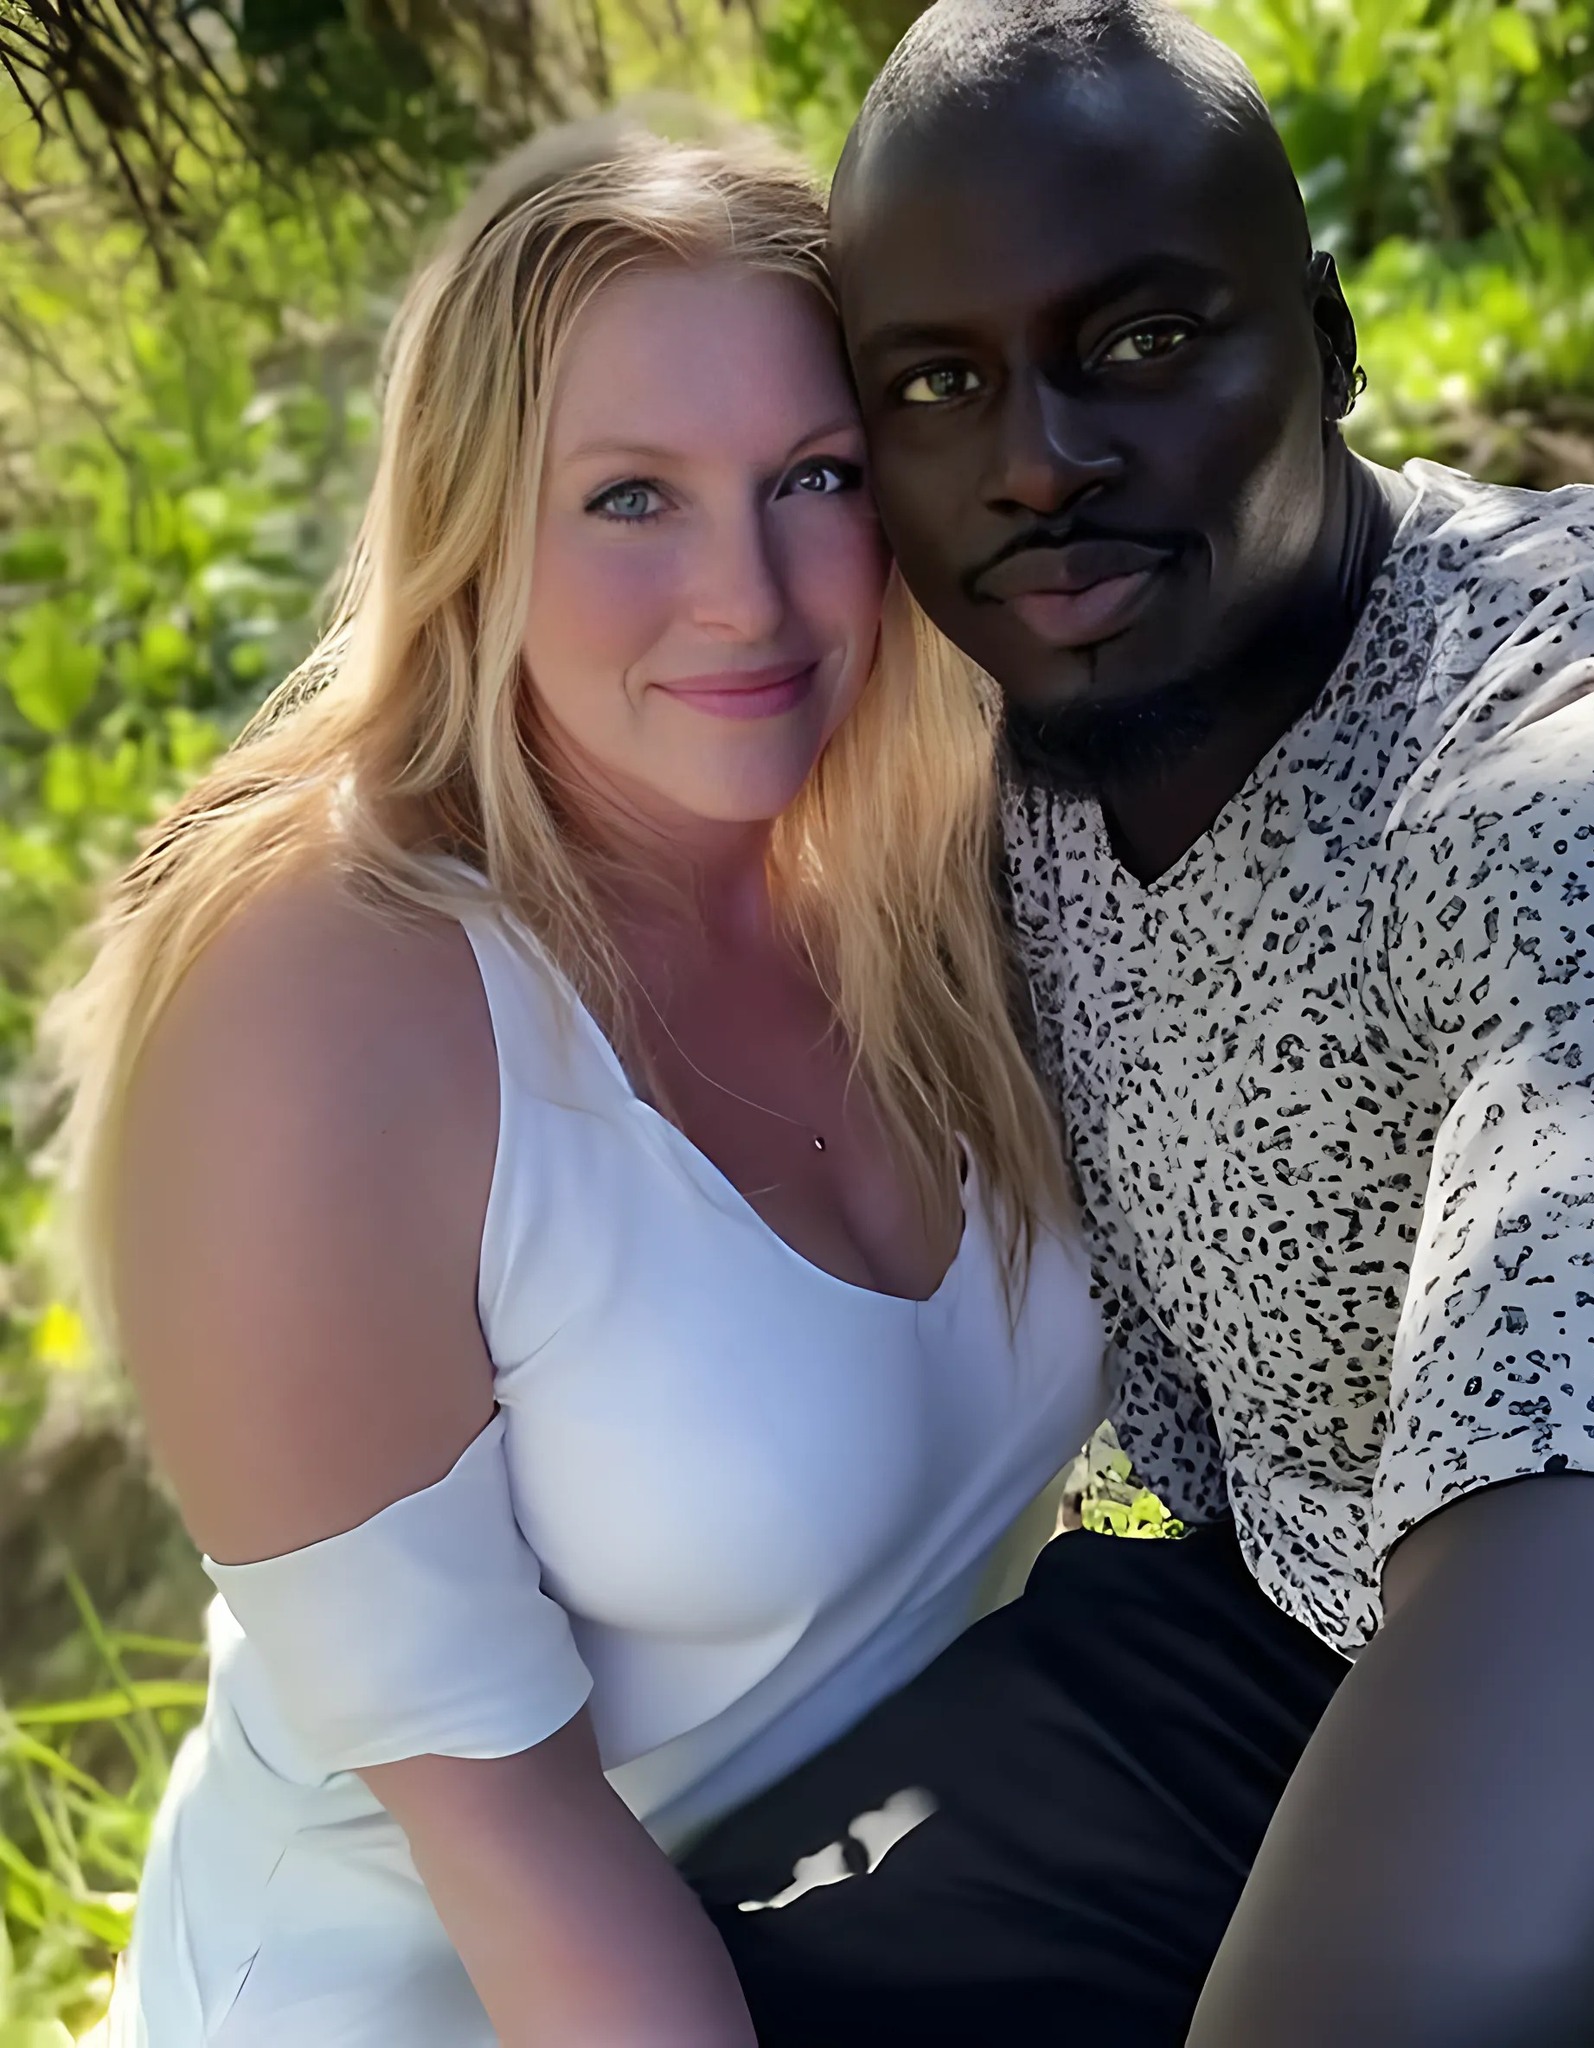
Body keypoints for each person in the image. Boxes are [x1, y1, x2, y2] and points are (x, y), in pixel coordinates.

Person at [681, 5, 1594, 2044]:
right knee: (686, 1987)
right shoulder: (990, 728)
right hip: (1268, 1623)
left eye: (1138, 342)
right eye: (937, 384)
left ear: (1327, 339)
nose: (1036, 461)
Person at [60, 118, 1106, 2048]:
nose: (748, 596)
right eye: (632, 498)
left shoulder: (931, 886)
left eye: (814, 478)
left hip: (835, 1944)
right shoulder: (333, 999)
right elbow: (513, 1850)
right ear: (474, 525)